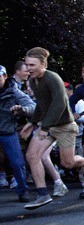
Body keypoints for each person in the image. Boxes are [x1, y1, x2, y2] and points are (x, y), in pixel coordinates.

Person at [20, 47, 84, 210]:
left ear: (43, 64)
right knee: (32, 155)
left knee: (67, 163)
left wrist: (45, 127)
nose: (28, 68)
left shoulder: (52, 78)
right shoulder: (34, 82)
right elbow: (41, 106)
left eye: (32, 65)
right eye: (27, 65)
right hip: (48, 125)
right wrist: (32, 123)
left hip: (64, 126)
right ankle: (42, 194)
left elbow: (59, 104)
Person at [0, 65, 36, 202]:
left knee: (17, 163)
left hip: (8, 131)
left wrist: (22, 110)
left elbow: (33, 107)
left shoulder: (13, 91)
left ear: (4, 76)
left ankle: (23, 190)